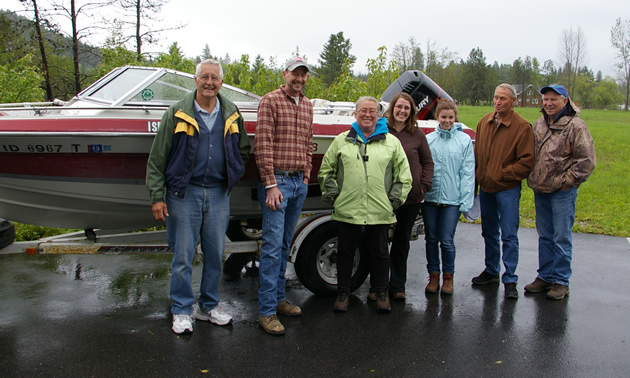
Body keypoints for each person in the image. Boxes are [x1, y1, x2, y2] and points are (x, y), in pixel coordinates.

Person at [146, 59, 250, 334]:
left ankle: (208, 306)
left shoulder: (231, 112)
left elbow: (244, 149)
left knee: (216, 255)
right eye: (204, 77)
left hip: (218, 193)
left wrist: (233, 173)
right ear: (196, 81)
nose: (209, 82)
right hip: (184, 193)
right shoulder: (177, 112)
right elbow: (157, 158)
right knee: (183, 256)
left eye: (214, 78)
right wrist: (158, 196)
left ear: (221, 83)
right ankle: (181, 310)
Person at [319, 96, 412, 314]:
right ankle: (343, 293)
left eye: (372, 111)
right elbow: (326, 171)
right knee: (345, 253)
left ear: (379, 115)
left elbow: (403, 176)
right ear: (355, 113)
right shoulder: (342, 140)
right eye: (363, 111)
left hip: (380, 210)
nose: (368, 115)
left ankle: (381, 292)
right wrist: (335, 197)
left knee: (380, 253)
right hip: (348, 210)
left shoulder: (392, 142)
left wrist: (394, 201)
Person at [255, 56, 313, 336]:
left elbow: (308, 141)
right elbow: (262, 143)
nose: (299, 79)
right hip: (277, 183)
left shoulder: (308, 105)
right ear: (285, 74)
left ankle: (278, 300)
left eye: (303, 75)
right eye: (295, 74)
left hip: (297, 183)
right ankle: (266, 311)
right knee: (270, 246)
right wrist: (270, 183)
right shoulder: (270, 100)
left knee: (283, 246)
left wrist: (306, 174)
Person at [525, 84, 596, 300]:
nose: (548, 103)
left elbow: (586, 161)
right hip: (541, 189)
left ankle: (561, 281)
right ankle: (545, 276)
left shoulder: (576, 126)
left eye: (553, 99)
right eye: (545, 99)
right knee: (545, 235)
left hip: (562, 192)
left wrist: (567, 181)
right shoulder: (539, 124)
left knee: (561, 236)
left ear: (565, 101)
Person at [472, 83, 534, 299]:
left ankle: (510, 279)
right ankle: (491, 271)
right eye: (496, 97)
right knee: (489, 232)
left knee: (508, 235)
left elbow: (526, 161)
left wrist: (503, 174)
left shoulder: (522, 127)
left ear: (513, 101)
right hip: (487, 188)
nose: (498, 102)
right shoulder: (484, 122)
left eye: (503, 99)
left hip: (507, 189)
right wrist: (480, 178)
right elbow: (478, 154)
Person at [383, 92, 434, 301]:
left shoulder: (417, 134)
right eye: (399, 107)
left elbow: (428, 162)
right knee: (378, 242)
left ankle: (397, 286)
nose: (402, 111)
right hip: (383, 197)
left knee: (401, 241)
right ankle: (377, 285)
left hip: (411, 198)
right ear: (392, 108)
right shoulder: (381, 130)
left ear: (411, 111)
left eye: (407, 108)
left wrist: (423, 186)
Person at [423, 100, 475, 295]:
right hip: (430, 199)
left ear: (455, 118)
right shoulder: (429, 140)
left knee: (446, 240)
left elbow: (468, 172)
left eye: (450, 117)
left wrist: (465, 201)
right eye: (443, 117)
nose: (447, 121)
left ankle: (448, 277)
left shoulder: (463, 141)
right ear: (437, 117)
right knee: (431, 239)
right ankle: (433, 276)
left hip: (452, 201)